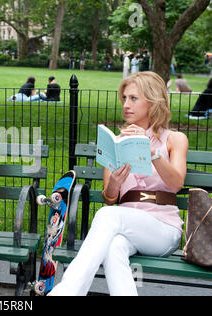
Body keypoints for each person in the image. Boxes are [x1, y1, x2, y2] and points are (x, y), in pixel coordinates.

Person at [48, 72, 187, 296]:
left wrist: (153, 154)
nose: (126, 105)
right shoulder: (116, 143)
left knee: (106, 215)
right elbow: (110, 198)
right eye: (124, 98)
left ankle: (66, 291)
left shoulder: (174, 139)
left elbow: (177, 183)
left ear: (152, 102)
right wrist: (114, 183)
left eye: (133, 98)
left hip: (162, 227)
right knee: (113, 247)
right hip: (126, 223)